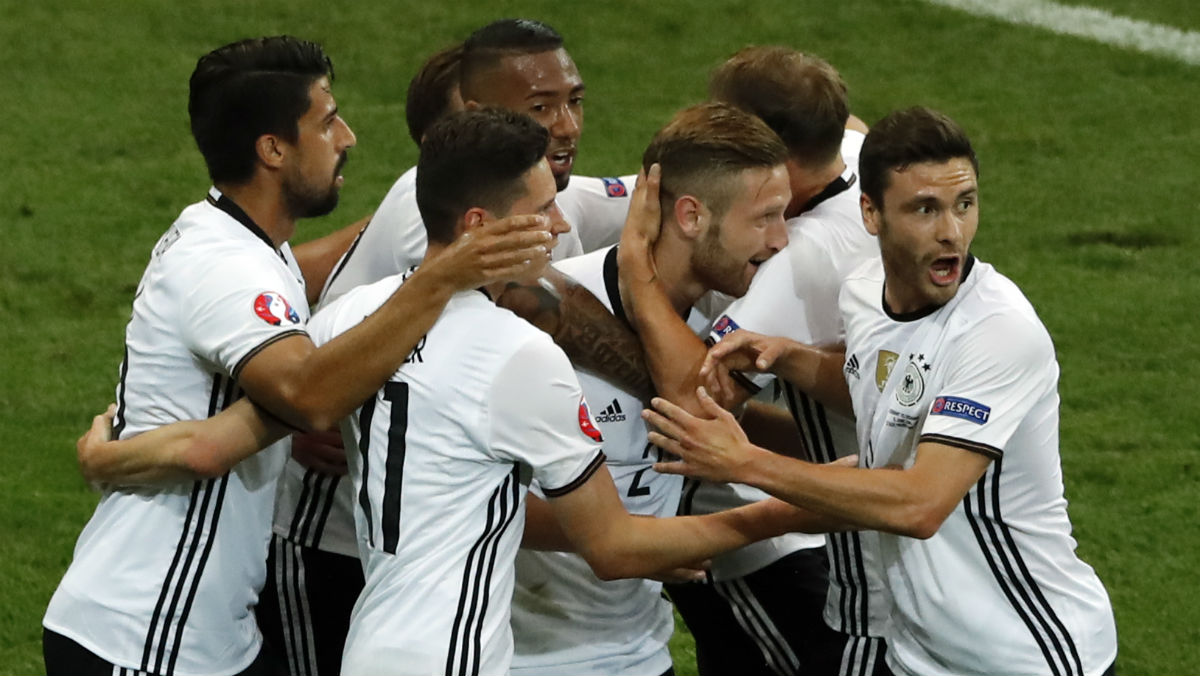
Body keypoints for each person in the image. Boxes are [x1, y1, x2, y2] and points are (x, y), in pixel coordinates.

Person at [77, 108, 808, 676]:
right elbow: (614, 545)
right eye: (544, 209)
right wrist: (792, 506)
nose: (560, 227)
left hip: (371, 647)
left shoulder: (355, 321)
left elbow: (214, 443)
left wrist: (108, 458)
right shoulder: (517, 355)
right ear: (482, 227)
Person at [43, 36, 552, 676]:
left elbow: (310, 325)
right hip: (149, 635)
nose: (348, 137)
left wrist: (428, 229)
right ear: (273, 149)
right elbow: (309, 395)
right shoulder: (227, 268)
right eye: (327, 120)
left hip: (204, 632)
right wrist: (442, 276)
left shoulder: (244, 240)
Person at [644, 107, 1118, 676]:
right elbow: (884, 392)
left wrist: (748, 464)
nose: (951, 231)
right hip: (918, 650)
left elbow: (920, 503)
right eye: (925, 209)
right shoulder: (866, 294)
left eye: (964, 203)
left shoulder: (999, 332)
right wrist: (794, 359)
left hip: (1024, 652)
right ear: (871, 213)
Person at [258, 23, 649, 675]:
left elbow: (643, 190)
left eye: (572, 101)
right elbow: (547, 303)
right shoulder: (452, 222)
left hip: (410, 547)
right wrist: (666, 384)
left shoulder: (497, 193)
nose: (566, 126)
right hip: (330, 534)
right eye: (539, 108)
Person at [621, 46, 880, 676]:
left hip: (778, 527)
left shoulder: (798, 257)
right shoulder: (858, 153)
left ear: (776, 156)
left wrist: (640, 286)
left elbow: (696, 404)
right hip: (833, 500)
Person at [510, 101, 790, 676]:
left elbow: (703, 409)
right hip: (526, 658)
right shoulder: (541, 315)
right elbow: (481, 500)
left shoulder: (732, 317)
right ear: (691, 216)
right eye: (764, 218)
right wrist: (626, 540)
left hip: (642, 652)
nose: (781, 239)